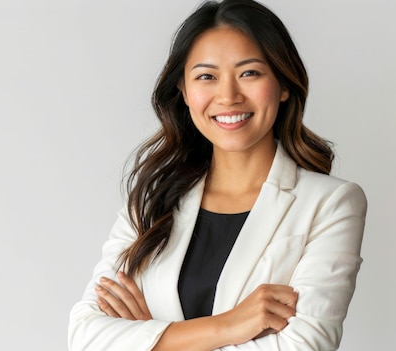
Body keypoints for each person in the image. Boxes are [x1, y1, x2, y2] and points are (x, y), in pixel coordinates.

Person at [67, 0, 367, 350]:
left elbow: (305, 346)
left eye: (249, 73)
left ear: (284, 84)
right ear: (183, 90)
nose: (228, 96)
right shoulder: (153, 198)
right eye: (206, 76)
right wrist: (228, 326)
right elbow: (86, 337)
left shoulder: (331, 203)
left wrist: (152, 337)